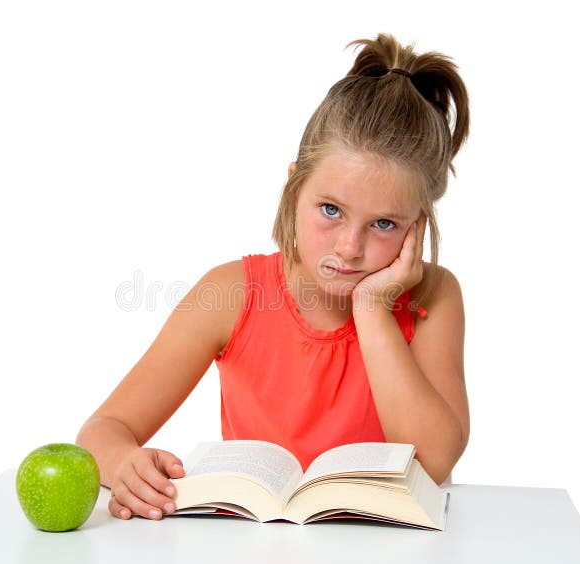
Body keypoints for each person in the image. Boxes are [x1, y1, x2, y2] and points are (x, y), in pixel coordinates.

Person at [77, 32, 471, 522]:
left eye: (384, 224)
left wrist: (372, 309)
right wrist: (124, 463)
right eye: (330, 209)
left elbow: (435, 461)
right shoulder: (231, 294)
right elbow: (102, 429)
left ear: (418, 227)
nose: (349, 248)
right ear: (294, 187)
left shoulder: (433, 296)